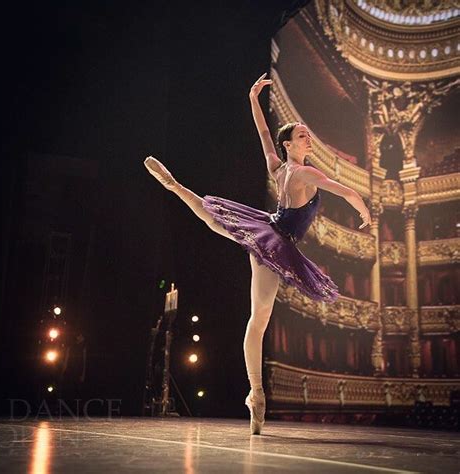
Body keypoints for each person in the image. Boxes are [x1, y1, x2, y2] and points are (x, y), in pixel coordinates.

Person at [143, 73, 372, 435]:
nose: (307, 137)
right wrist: (363, 210)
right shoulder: (304, 172)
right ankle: (258, 392)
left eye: (306, 134)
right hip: (276, 243)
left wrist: (253, 99)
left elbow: (264, 135)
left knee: (218, 225)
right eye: (301, 135)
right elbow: (342, 189)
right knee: (258, 317)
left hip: (267, 230)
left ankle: (256, 393)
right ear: (290, 144)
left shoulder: (279, 167)